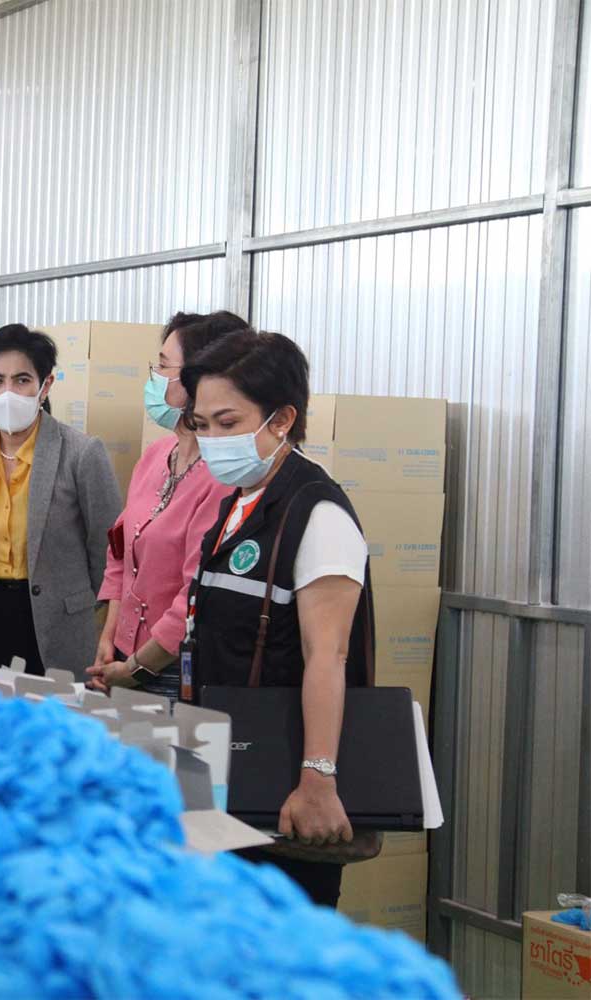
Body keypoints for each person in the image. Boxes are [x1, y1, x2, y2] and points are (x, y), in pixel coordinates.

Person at [180, 329, 374, 908]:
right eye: (202, 424)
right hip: (223, 773)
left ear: (283, 419)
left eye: (229, 422)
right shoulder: (238, 502)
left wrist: (317, 779)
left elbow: (328, 656)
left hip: (281, 786)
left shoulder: (318, 513)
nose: (212, 438)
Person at [87, 311, 251, 698]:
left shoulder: (222, 475)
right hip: (123, 658)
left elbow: (195, 592)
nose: (154, 378)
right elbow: (119, 554)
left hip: (174, 669)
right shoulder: (156, 456)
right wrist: (110, 636)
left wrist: (138, 666)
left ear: (199, 377)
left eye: (163, 366)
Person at [0, 324, 120, 675]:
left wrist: (102, 630)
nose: (8, 391)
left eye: (22, 380)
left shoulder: (82, 453)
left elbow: (106, 554)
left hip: (59, 626)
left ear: (45, 386)